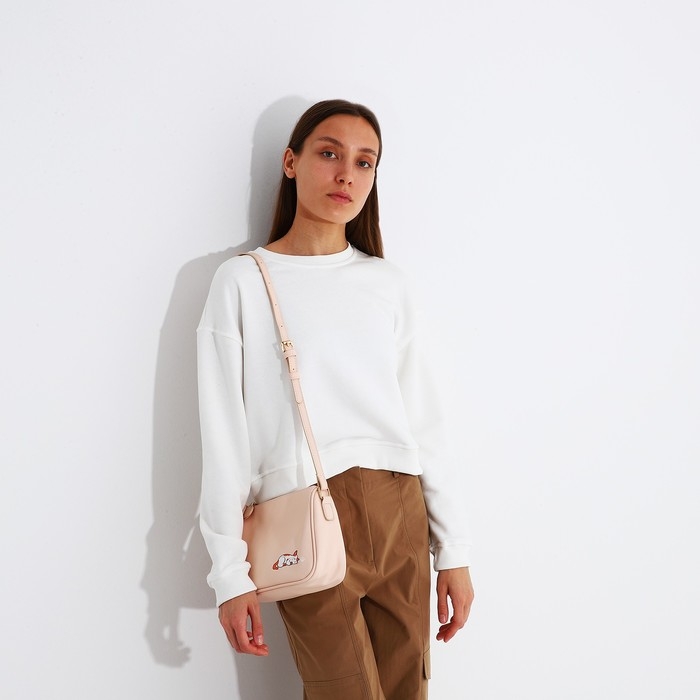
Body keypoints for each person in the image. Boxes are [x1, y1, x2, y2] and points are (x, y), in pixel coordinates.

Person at [197, 99, 474, 699]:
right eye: (329, 153)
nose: (347, 174)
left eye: (364, 162)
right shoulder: (243, 281)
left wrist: (453, 550)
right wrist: (229, 574)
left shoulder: (386, 282)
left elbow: (424, 421)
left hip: (400, 510)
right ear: (291, 163)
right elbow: (223, 435)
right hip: (303, 512)